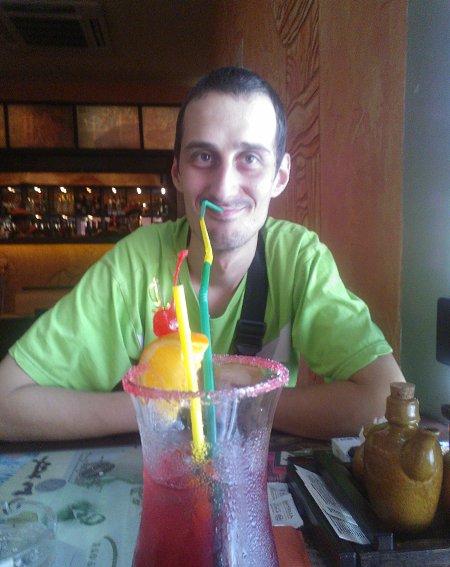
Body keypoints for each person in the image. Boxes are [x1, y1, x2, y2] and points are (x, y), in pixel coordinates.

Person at [0, 66, 404, 442]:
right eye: (204, 157)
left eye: (250, 159)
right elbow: (6, 403)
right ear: (177, 172)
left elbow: (385, 400)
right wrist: (166, 404)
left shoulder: (297, 259)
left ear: (279, 176)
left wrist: (237, 397)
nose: (223, 188)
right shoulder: (136, 265)